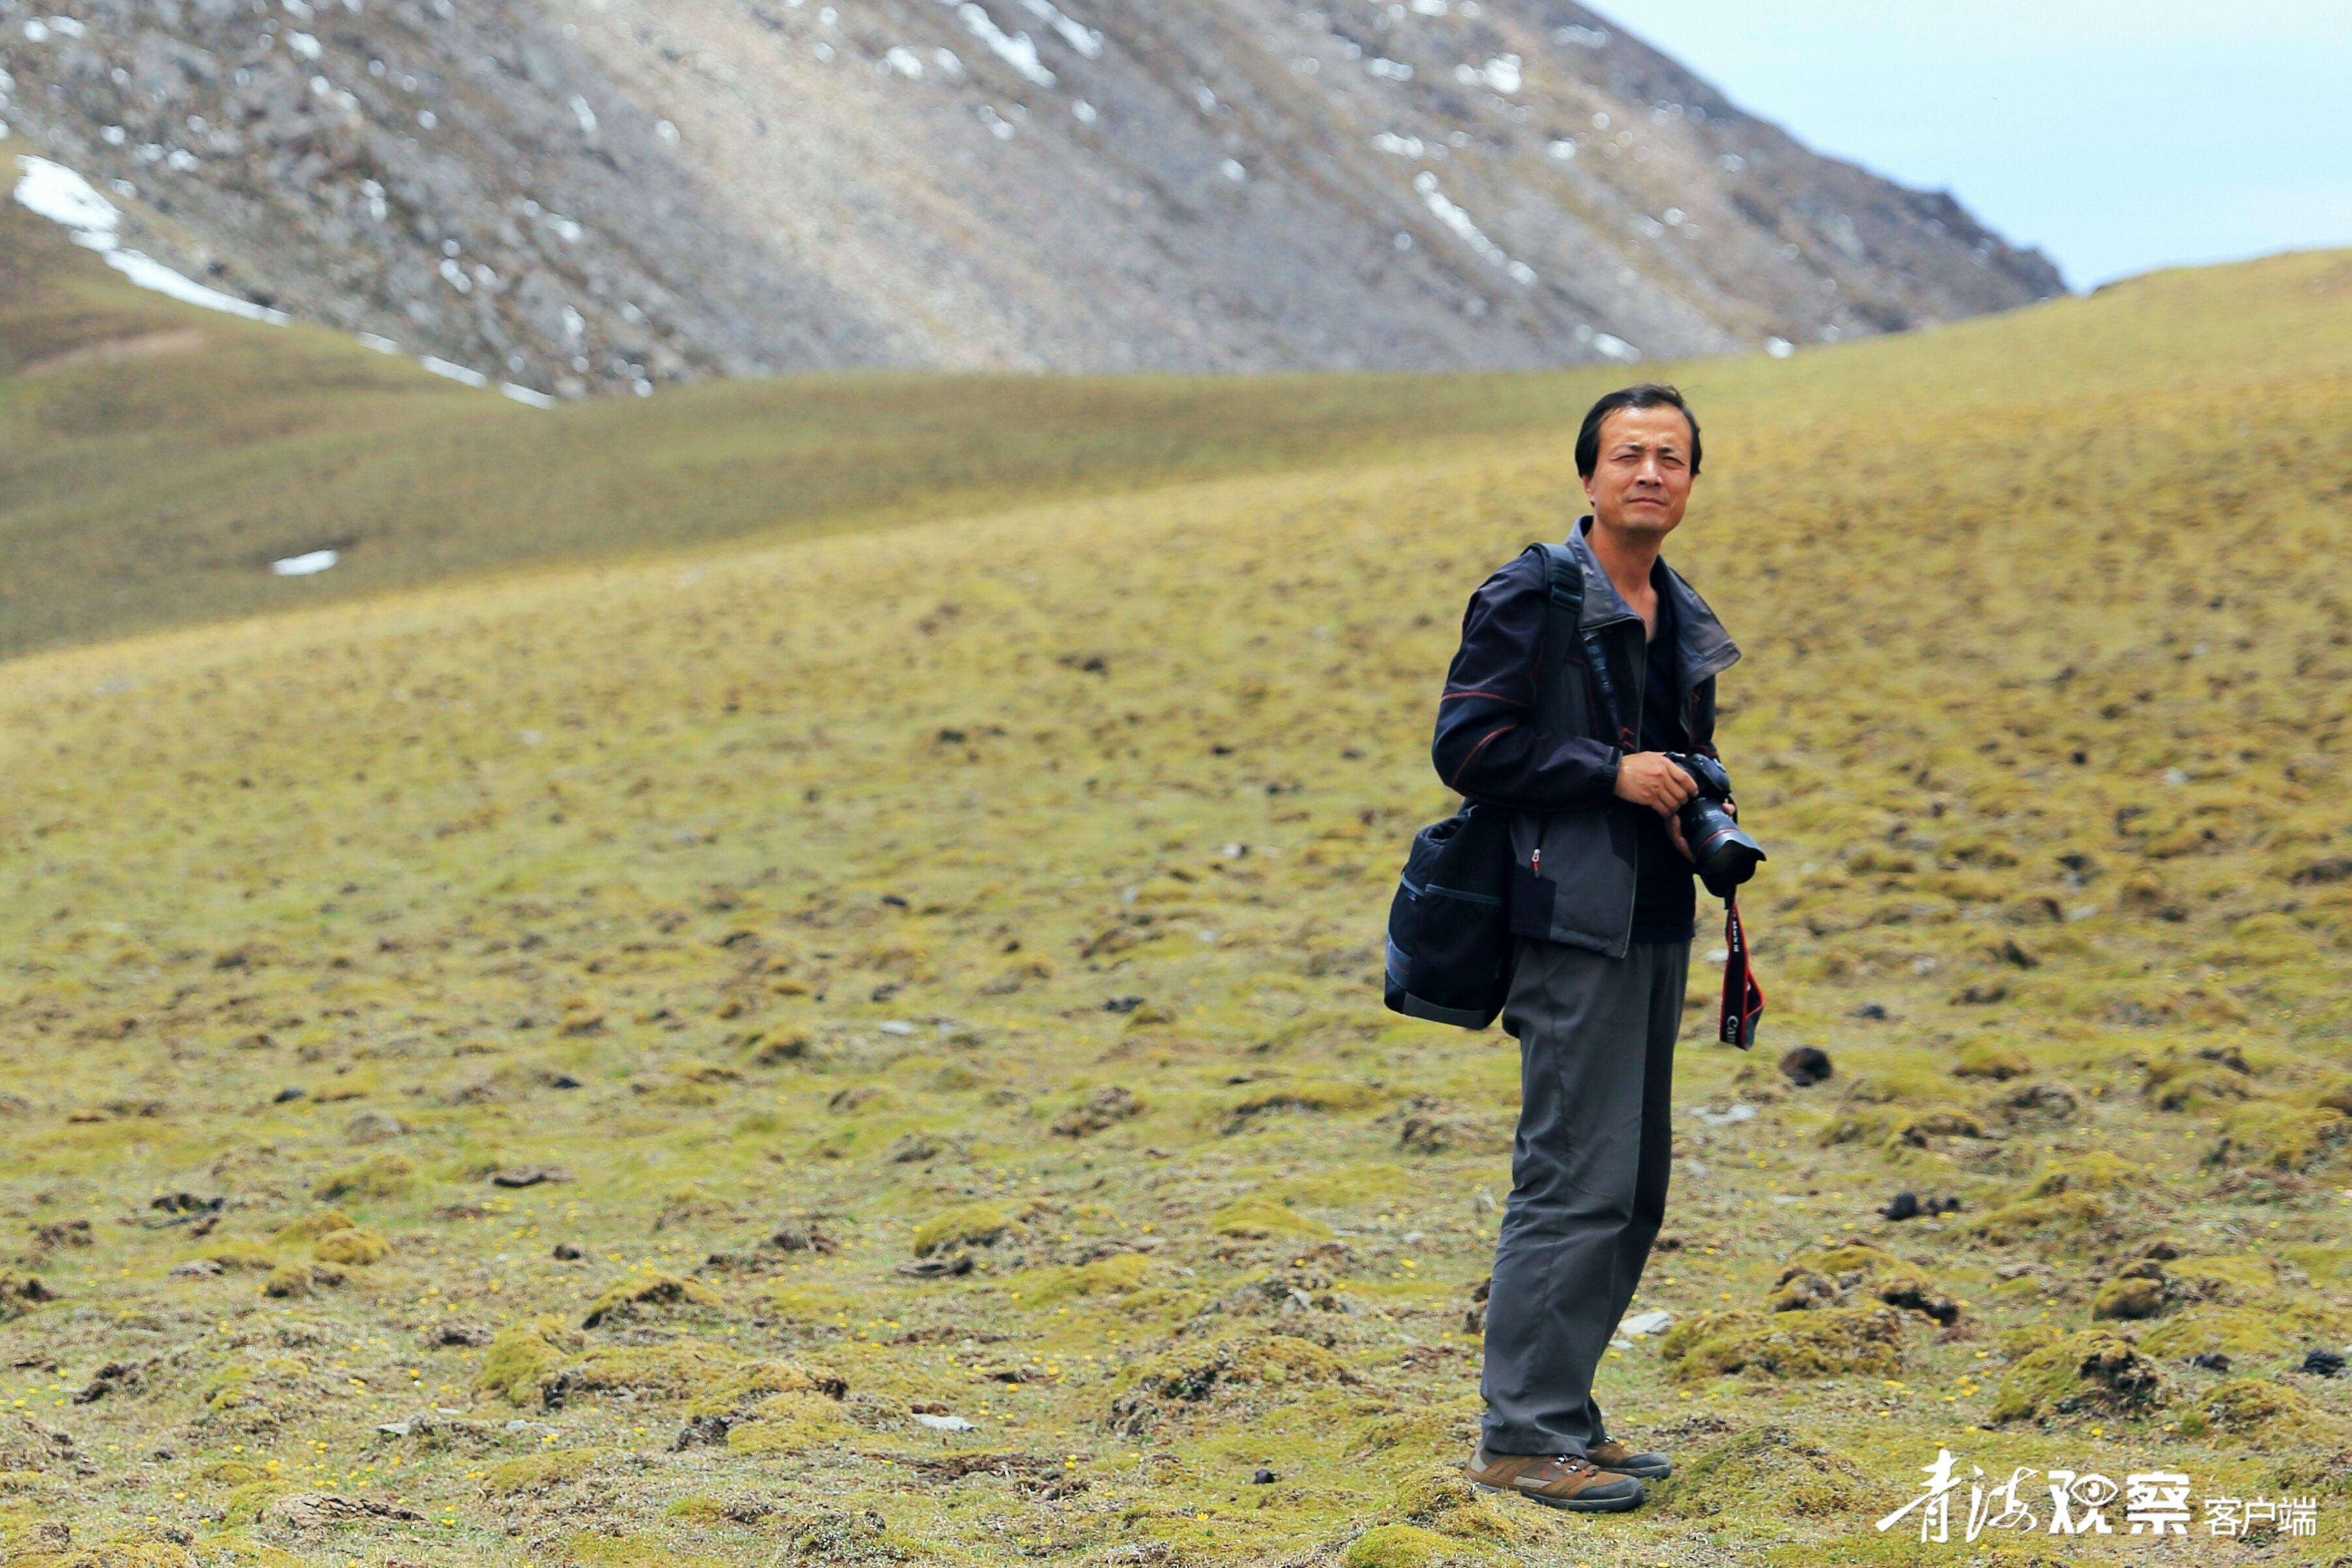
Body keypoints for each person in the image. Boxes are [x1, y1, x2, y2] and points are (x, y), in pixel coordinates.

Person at [1432, 383, 1741, 1512]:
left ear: (1692, 482)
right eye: (1628, 454)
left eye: (1671, 456)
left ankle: (1567, 1413)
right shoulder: (1533, 592)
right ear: (1589, 478)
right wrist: (1610, 774)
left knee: (1633, 1185)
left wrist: (1689, 795)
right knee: (1572, 1178)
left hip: (1655, 916)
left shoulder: (1672, 604)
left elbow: (1665, 750)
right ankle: (1521, 1436)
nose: (1650, 472)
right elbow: (1466, 744)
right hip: (1568, 921)